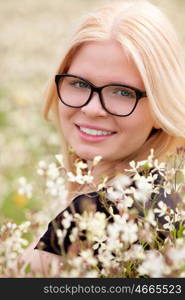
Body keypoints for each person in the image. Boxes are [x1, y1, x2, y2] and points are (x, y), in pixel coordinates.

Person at [20, 0, 185, 273]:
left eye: (122, 92)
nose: (91, 108)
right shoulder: (165, 203)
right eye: (79, 84)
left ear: (160, 108)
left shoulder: (96, 216)